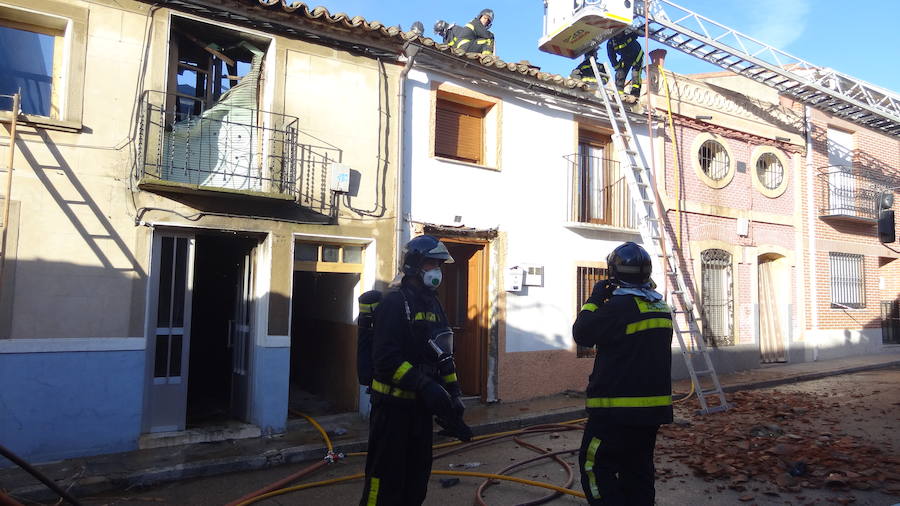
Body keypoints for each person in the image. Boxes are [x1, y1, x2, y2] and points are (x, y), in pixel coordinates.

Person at [359, 235, 473, 506]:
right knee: (384, 483)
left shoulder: (434, 305)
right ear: (414, 265)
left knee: (416, 481)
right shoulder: (394, 304)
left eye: (440, 265)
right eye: (432, 264)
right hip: (392, 411)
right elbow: (386, 361)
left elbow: (443, 353)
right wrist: (425, 386)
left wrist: (454, 394)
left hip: (420, 414)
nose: (437, 271)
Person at [572, 242, 673, 505]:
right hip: (650, 412)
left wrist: (594, 299)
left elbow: (582, 333)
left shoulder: (619, 308)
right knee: (637, 471)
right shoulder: (660, 307)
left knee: (594, 467)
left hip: (614, 411)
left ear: (613, 272)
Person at [607, 30, 644, 103]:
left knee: (635, 74)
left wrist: (643, 30)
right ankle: (618, 92)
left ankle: (635, 94)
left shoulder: (628, 33)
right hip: (625, 57)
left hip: (637, 55)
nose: (619, 34)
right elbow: (611, 56)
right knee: (620, 74)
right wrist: (617, 67)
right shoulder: (611, 43)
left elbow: (639, 33)